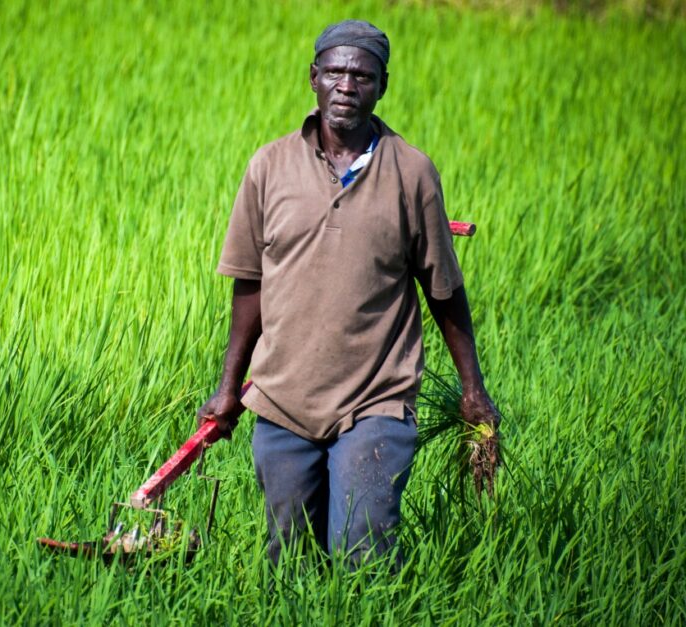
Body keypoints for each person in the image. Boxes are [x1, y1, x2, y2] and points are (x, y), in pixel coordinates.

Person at [197, 19, 500, 567]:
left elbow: (444, 291)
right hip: (282, 398)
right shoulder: (269, 166)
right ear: (313, 78)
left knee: (363, 549)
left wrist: (472, 388)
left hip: (375, 398)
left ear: (382, 85)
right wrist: (228, 388)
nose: (346, 85)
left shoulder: (412, 174)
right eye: (334, 71)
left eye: (362, 75)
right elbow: (249, 284)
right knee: (289, 557)